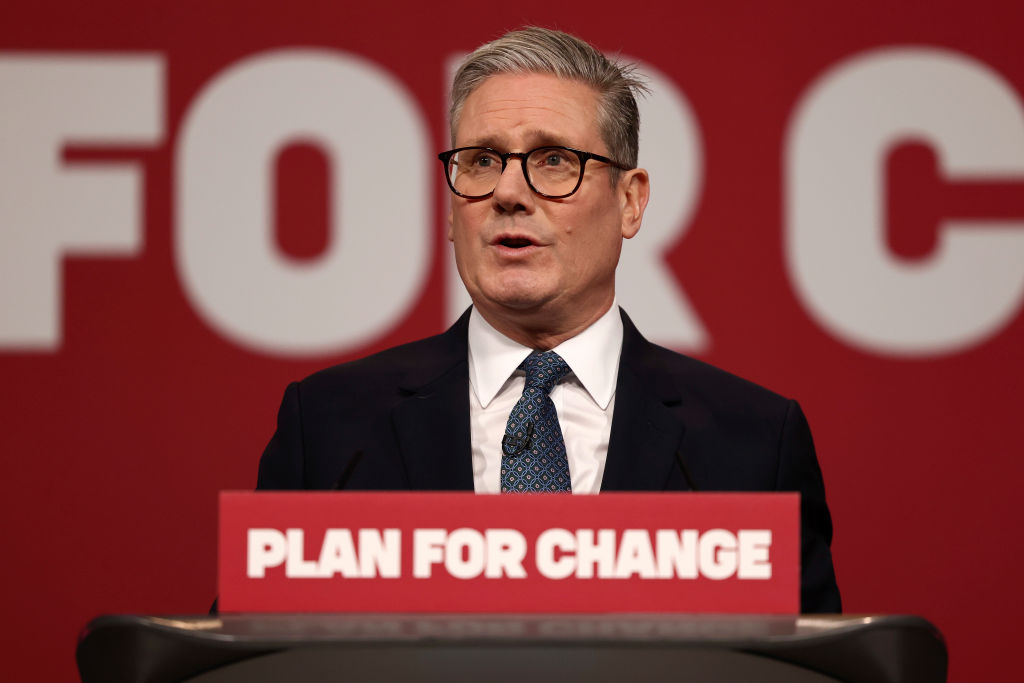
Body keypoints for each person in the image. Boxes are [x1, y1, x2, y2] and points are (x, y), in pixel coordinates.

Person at [257, 27, 841, 613]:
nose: (508, 192)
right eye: (482, 161)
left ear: (630, 201)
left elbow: (806, 659)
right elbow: (249, 652)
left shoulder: (753, 443)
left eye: (555, 160)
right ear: (452, 209)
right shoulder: (329, 428)